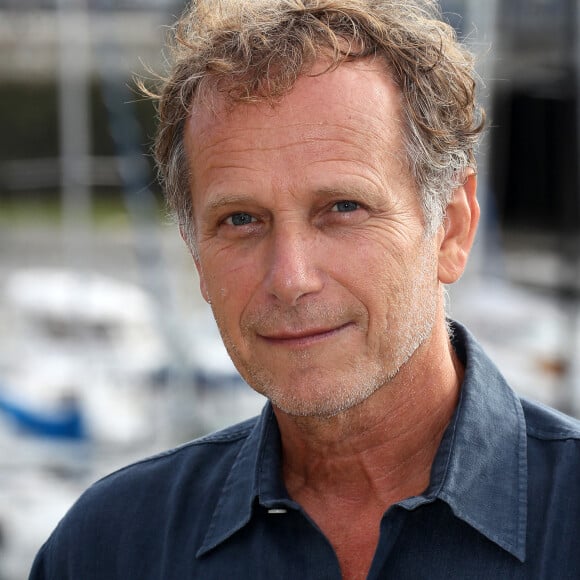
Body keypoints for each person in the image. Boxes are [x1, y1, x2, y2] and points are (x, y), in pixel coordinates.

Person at [30, 1, 580, 578]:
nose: (290, 278)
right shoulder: (109, 549)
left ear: (451, 227)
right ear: (197, 254)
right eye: (241, 220)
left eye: (343, 208)